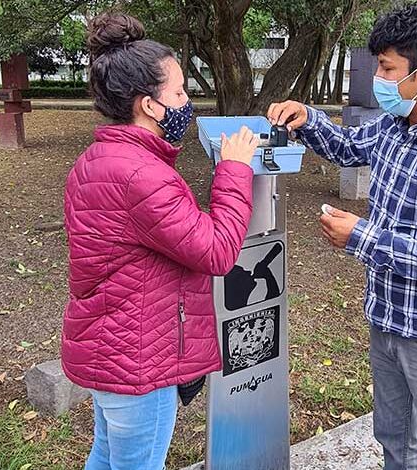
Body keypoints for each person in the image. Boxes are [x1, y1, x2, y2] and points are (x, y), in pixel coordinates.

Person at [267, 2, 417, 469]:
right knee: (396, 442)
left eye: (386, 68)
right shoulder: (396, 125)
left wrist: (362, 236)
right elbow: (348, 147)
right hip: (387, 319)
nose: (378, 78)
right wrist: (308, 118)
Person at [61, 12, 258, 470]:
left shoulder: (94, 161)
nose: (187, 101)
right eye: (180, 92)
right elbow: (217, 250)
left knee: (107, 456)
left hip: (109, 348)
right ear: (150, 105)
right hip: (138, 364)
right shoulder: (143, 175)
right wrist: (234, 170)